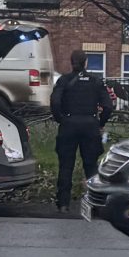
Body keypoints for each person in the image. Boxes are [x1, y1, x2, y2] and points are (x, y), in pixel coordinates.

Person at [50, 55, 118, 212]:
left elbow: (55, 102)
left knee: (66, 165)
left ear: (71, 62)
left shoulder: (64, 81)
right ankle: (94, 204)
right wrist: (100, 123)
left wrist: (60, 119)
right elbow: (107, 106)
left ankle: (63, 203)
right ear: (86, 62)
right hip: (90, 124)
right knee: (91, 166)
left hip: (68, 124)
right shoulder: (96, 81)